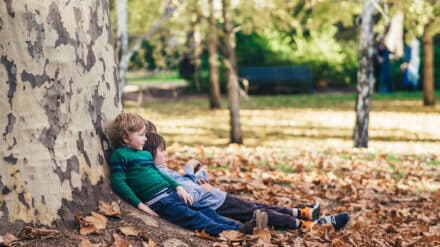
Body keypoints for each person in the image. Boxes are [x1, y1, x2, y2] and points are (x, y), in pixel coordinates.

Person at [143, 131, 350, 232]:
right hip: (215, 203)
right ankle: (311, 226)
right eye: (162, 151)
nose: (166, 155)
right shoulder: (157, 173)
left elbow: (188, 187)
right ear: (150, 154)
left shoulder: (160, 170)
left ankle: (303, 213)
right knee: (260, 213)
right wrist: (190, 172)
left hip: (216, 197)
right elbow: (188, 192)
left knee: (258, 206)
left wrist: (197, 177)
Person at [106, 112, 265, 237]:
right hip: (160, 202)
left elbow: (160, 175)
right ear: (126, 137)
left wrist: (179, 187)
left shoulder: (145, 155)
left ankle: (241, 227)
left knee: (206, 212)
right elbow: (119, 183)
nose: (145, 138)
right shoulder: (120, 155)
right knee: (195, 218)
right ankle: (233, 233)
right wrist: (140, 205)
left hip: (172, 194)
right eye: (141, 135)